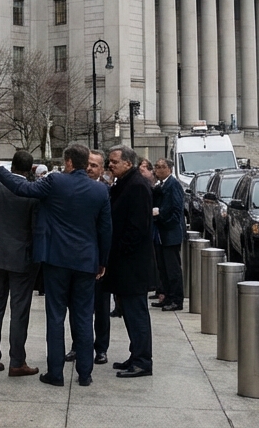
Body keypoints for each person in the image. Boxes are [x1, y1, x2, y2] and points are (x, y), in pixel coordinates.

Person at [0, 143, 112, 387]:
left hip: (56, 259)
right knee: (84, 317)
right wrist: (102, 261)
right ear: (85, 163)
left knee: (55, 316)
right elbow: (105, 229)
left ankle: (55, 372)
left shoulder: (56, 182)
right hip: (87, 261)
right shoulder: (100, 191)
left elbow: (22, 187)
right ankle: (85, 373)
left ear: (68, 162)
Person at [0, 150, 40, 377]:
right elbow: (36, 229)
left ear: (12, 165)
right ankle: (17, 361)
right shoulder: (32, 194)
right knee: (19, 310)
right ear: (30, 169)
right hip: (21, 258)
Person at [105, 146, 154, 377]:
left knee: (137, 313)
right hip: (125, 263)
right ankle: (135, 355)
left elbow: (137, 228)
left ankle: (142, 360)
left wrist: (119, 251)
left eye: (114, 161)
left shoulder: (136, 186)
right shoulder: (124, 183)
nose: (110, 165)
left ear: (128, 163)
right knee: (130, 312)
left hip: (132, 264)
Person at [68, 150, 111, 366]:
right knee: (76, 307)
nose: (90, 168)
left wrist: (104, 259)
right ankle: (78, 345)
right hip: (77, 258)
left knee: (101, 307)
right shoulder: (73, 188)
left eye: (95, 165)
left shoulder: (106, 191)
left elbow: (108, 229)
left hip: (97, 258)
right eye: (88, 164)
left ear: (102, 169)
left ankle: (101, 348)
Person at [152, 158, 186, 312]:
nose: (158, 169)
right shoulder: (160, 185)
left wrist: (160, 215)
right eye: (156, 167)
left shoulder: (173, 185)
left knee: (172, 269)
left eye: (161, 167)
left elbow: (176, 210)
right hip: (161, 234)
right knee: (163, 268)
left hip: (170, 233)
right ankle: (166, 296)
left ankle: (176, 299)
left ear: (169, 169)